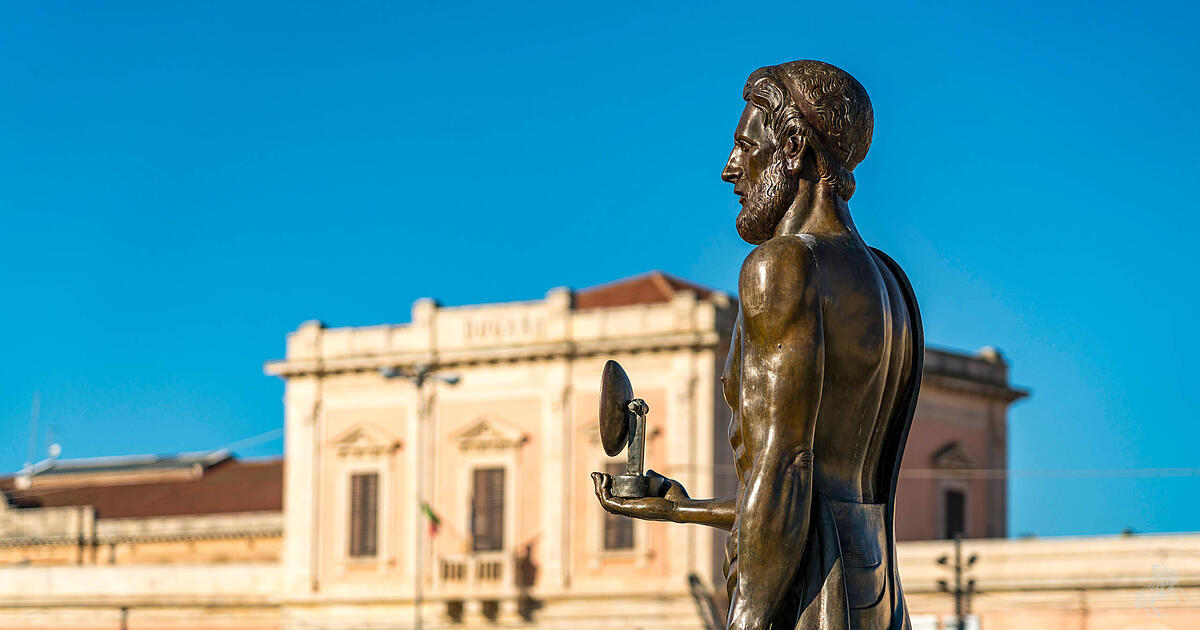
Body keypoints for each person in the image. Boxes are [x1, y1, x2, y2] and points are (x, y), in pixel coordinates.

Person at [592, 60, 923, 630]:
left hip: (808, 600)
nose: (730, 171)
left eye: (746, 147)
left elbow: (786, 468)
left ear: (793, 147)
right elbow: (815, 496)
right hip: (878, 599)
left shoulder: (782, 267)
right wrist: (681, 508)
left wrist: (743, 621)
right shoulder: (890, 283)